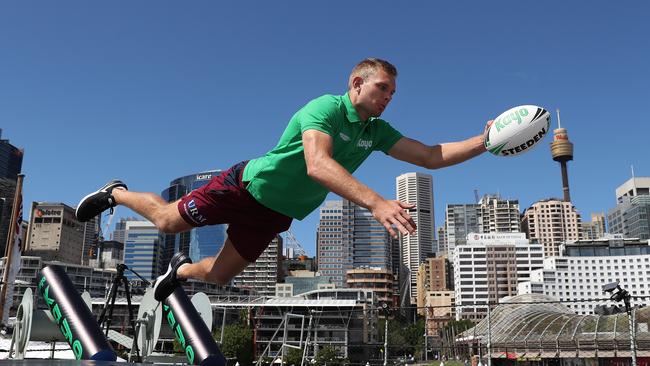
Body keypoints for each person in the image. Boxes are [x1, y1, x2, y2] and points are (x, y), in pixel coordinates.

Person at [75, 58, 489, 301]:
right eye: (383, 88)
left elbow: (432, 156)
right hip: (246, 187)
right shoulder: (324, 108)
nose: (388, 97)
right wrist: (378, 203)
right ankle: (117, 192)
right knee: (166, 221)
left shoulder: (376, 132)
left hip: (275, 215)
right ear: (356, 83)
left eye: (393, 93)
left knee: (219, 276)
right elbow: (318, 164)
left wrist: (486, 141)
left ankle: (179, 271)